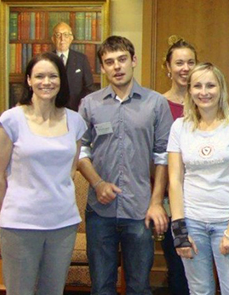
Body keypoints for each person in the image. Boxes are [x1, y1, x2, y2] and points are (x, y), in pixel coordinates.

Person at [77, 35, 173, 294]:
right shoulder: (90, 104)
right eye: (109, 62)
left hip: (140, 210)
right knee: (101, 287)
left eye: (122, 60)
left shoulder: (156, 103)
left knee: (140, 286)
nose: (117, 67)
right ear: (102, 67)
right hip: (100, 211)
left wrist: (155, 202)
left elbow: (163, 157)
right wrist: (97, 183)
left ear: (133, 61)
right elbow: (80, 151)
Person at [0, 52, 87, 294]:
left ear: (61, 81)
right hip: (20, 225)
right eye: (39, 76)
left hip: (63, 224)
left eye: (53, 76)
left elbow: (71, 168)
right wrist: (14, 207)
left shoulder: (74, 121)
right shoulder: (11, 120)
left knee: (53, 291)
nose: (46, 82)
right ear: (29, 80)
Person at [168, 62, 229, 295]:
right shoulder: (179, 127)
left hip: (227, 222)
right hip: (192, 223)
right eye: (197, 86)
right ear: (189, 90)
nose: (204, 92)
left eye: (210, 85)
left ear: (221, 89)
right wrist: (179, 232)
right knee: (200, 292)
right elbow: (175, 180)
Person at [159, 35, 198, 295]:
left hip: (203, 199)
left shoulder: (209, 102)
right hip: (170, 202)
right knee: (178, 271)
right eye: (179, 63)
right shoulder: (157, 105)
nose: (185, 68)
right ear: (168, 68)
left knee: (200, 271)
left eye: (191, 62)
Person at [51, 22, 95, 111]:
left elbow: (89, 88)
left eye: (66, 35)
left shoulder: (81, 59)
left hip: (76, 110)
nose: (62, 39)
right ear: (53, 39)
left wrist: (80, 107)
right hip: (52, 110)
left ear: (71, 38)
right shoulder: (47, 59)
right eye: (58, 35)